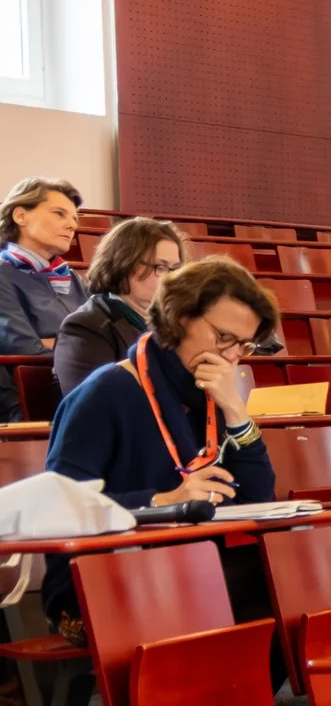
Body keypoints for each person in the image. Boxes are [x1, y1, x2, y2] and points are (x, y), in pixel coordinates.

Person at [43, 255, 280, 622]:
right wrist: (165, 501)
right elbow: (58, 510)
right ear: (180, 318)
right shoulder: (106, 392)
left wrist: (235, 410)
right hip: (98, 571)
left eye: (244, 346)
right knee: (264, 587)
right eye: (225, 338)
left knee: (284, 574)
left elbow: (257, 496)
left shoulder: (212, 392)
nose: (232, 356)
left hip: (188, 559)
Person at [54, 216, 184, 396]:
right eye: (160, 267)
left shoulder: (180, 324)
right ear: (124, 263)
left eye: (175, 269)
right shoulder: (85, 327)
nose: (170, 278)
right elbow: (92, 406)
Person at [0, 175, 90, 357]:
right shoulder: (2, 275)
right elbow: (26, 350)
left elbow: (106, 342)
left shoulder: (73, 278)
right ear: (21, 216)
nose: (72, 225)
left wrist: (50, 342)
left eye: (75, 218)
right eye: (59, 213)